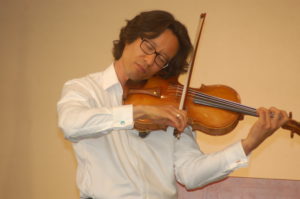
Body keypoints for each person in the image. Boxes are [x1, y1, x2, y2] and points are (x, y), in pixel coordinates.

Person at [57, 10, 288, 199]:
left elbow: (190, 173)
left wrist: (248, 144)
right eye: (148, 46)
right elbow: (71, 124)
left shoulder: (172, 106)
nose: (149, 61)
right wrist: (138, 112)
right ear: (130, 36)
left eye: (161, 59)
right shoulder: (84, 89)